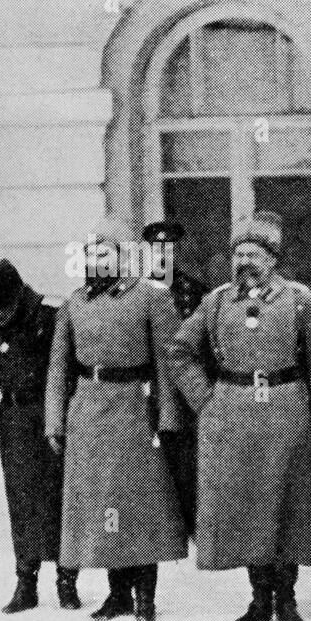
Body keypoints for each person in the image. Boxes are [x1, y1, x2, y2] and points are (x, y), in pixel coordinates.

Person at [169, 211, 311, 621]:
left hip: (286, 411)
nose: (245, 261)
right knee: (245, 509)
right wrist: (205, 399)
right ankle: (258, 598)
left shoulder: (300, 300)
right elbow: (180, 352)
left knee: (288, 506)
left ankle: (287, 599)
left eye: (255, 254)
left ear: (273, 260)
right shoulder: (217, 302)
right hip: (231, 414)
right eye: (239, 253)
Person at [45, 217, 186, 621]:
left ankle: (145, 596)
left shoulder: (151, 297)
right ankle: (117, 594)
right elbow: (59, 370)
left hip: (136, 410)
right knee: (102, 503)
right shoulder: (74, 303)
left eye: (105, 251)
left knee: (139, 501)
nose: (96, 259)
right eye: (91, 253)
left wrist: (168, 418)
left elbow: (168, 362)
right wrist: (55, 421)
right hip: (88, 411)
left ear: (124, 256)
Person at [0, 258, 80, 612]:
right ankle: (26, 582)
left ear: (15, 293)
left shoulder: (50, 316)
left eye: (1, 309)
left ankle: (66, 580)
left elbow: (68, 371)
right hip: (13, 418)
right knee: (21, 498)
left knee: (60, 495)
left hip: (50, 416)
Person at [143, 220, 208, 539]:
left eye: (168, 249)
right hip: (147, 385)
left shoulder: (193, 291)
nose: (162, 256)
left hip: (184, 384)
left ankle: (189, 521)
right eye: (156, 249)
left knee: (186, 454)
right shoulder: (136, 291)